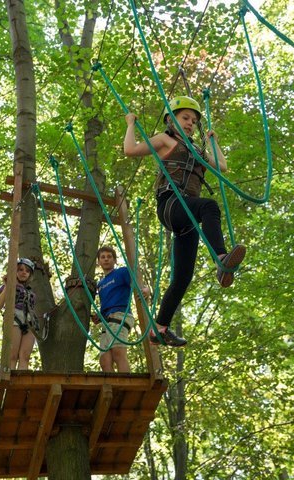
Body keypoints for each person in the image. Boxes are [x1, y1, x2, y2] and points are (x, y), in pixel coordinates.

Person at [124, 96, 246, 348]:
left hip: (188, 216)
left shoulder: (198, 151)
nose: (190, 124)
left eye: (193, 121)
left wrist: (213, 142)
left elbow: (221, 166)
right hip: (171, 204)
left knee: (182, 278)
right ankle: (221, 258)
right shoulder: (164, 140)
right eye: (185, 118)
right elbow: (130, 150)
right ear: (171, 119)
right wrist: (130, 124)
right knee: (209, 206)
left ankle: (159, 328)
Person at [93, 246, 149, 373]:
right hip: (107, 320)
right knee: (104, 360)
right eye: (103, 257)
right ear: (99, 262)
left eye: (109, 257)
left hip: (120, 315)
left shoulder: (121, 272)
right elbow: (107, 301)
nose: (106, 259)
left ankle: (125, 385)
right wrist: (99, 316)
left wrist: (146, 289)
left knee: (118, 352)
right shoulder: (100, 284)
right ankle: (112, 388)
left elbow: (136, 281)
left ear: (115, 260)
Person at [0, 258, 37, 370]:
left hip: (29, 321)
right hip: (14, 319)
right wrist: (8, 285)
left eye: (27, 271)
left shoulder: (30, 292)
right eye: (21, 269)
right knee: (12, 356)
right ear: (15, 271)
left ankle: (21, 385)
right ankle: (10, 384)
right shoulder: (8, 286)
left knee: (25, 357)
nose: (24, 272)